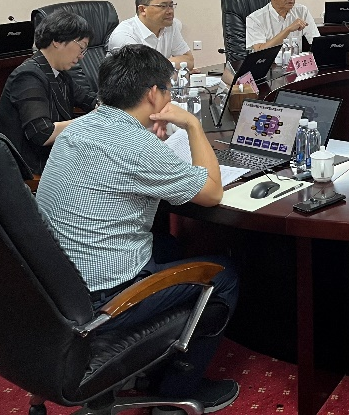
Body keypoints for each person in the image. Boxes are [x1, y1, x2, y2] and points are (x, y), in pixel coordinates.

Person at [35, 45, 239, 413]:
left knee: (170, 246)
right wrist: (192, 125)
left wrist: (149, 141)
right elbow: (211, 192)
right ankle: (175, 396)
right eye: (169, 89)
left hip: (53, 286)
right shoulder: (136, 145)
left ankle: (150, 365)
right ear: (153, 94)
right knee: (223, 275)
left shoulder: (78, 127)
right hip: (102, 297)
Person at [0, 10, 95, 175]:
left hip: (54, 156)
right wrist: (93, 119)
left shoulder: (60, 74)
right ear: (57, 41)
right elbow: (42, 133)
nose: (82, 56)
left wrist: (109, 105)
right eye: (81, 47)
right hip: (30, 167)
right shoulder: (28, 76)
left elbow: (89, 100)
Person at [108, 0, 194, 69]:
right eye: (163, 6)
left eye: (171, 5)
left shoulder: (171, 26)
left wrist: (162, 66)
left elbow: (189, 60)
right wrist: (173, 67)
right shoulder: (124, 35)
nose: (170, 11)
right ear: (142, 10)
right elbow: (141, 71)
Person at [246, 0, 319, 53]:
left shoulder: (302, 11)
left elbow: (316, 42)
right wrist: (288, 30)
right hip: (270, 61)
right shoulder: (255, 19)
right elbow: (259, 51)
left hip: (295, 60)